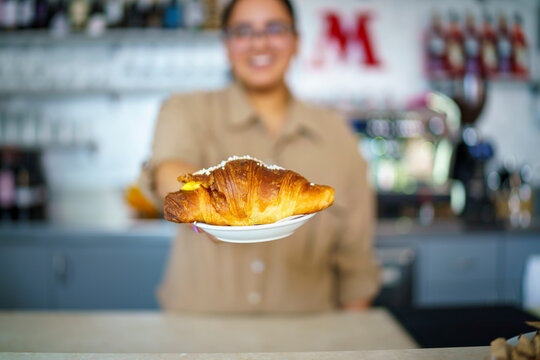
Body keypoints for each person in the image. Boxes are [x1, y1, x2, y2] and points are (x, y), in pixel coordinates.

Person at [141, 0, 380, 312]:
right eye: (243, 31)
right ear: (227, 46)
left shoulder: (337, 134)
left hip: (307, 342)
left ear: (296, 42)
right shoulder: (186, 110)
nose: (260, 43)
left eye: (275, 28)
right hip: (198, 340)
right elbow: (168, 171)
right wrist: (205, 207)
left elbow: (356, 265)